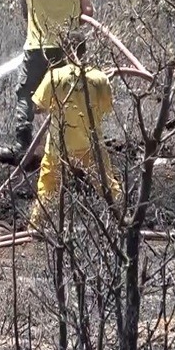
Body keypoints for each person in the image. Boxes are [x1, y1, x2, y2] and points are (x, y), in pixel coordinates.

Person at [0, 0, 94, 164]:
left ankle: (23, 147)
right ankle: (73, 147)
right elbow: (88, 10)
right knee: (71, 95)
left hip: (37, 47)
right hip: (70, 47)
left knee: (26, 94)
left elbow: (24, 13)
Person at [27, 31, 121, 227]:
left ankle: (35, 226)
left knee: (47, 186)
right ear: (85, 51)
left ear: (64, 52)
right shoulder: (99, 78)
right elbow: (106, 109)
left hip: (58, 147)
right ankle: (122, 220)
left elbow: (37, 107)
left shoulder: (54, 76)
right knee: (107, 184)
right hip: (90, 146)